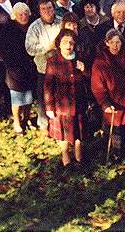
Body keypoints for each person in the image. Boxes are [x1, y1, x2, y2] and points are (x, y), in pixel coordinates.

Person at [92, 29, 125, 160]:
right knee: (115, 126)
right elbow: (98, 86)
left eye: (118, 42)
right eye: (112, 42)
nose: (115, 46)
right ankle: (116, 151)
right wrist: (105, 103)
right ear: (106, 43)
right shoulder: (100, 62)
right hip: (112, 100)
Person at [44, 29, 87, 167]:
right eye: (65, 42)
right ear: (59, 44)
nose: (68, 45)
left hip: (79, 102)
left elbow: (90, 78)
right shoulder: (53, 61)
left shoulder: (80, 57)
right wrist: (49, 107)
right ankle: (65, 155)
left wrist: (84, 70)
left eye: (71, 42)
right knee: (63, 133)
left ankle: (78, 155)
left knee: (78, 131)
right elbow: (48, 85)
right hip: (61, 105)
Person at [25, 0, 62, 132]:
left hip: (60, 68)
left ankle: (58, 124)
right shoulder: (34, 27)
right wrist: (48, 47)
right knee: (43, 98)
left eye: (49, 8)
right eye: (43, 9)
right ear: (39, 11)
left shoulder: (61, 23)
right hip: (43, 69)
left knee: (58, 96)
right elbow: (30, 49)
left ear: (54, 8)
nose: (47, 11)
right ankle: (44, 125)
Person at [2, 2, 37, 133]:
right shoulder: (9, 30)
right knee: (17, 98)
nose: (23, 17)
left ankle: (27, 118)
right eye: (20, 14)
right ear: (14, 16)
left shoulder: (32, 28)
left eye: (25, 14)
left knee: (29, 98)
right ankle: (17, 121)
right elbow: (6, 53)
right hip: (15, 69)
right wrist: (13, 69)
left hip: (30, 68)